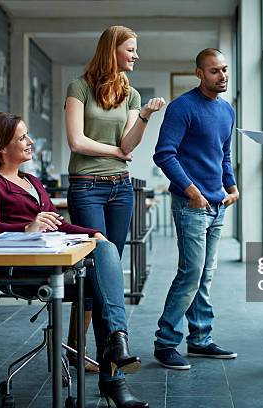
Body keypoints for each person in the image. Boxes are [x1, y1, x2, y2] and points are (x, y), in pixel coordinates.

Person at [0, 112, 148, 408]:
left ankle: (116, 350)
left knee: (104, 254)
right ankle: (114, 373)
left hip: (53, 260)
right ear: (1, 147)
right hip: (20, 268)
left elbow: (59, 225)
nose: (29, 142)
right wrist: (26, 227)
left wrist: (93, 232)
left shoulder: (32, 180)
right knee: (103, 284)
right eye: (22, 137)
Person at [152, 48, 239, 370]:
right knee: (191, 273)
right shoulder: (182, 108)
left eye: (225, 70)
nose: (222, 76)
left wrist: (232, 186)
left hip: (218, 204)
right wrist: (192, 191)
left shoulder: (227, 111)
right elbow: (164, 154)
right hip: (192, 205)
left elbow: (223, 156)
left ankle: (200, 339)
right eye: (215, 71)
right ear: (199, 73)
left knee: (204, 275)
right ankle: (165, 342)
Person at [65, 25, 165, 258]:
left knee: (112, 261)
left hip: (121, 187)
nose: (136, 56)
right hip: (86, 186)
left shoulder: (132, 95)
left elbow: (127, 146)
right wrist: (116, 153)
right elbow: (76, 142)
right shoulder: (79, 87)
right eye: (130, 50)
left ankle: (107, 297)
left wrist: (145, 115)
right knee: (96, 259)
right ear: (112, 50)